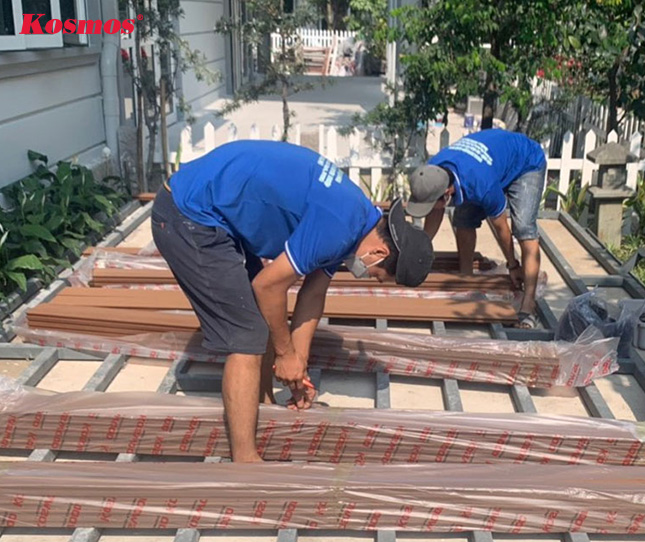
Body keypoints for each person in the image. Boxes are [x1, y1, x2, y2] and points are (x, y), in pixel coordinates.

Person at [152, 140, 434, 462]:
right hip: (187, 214)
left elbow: (313, 293)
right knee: (247, 335)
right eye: (377, 275)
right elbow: (267, 287)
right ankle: (245, 462)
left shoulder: (358, 218)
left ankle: (261, 402)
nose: (367, 276)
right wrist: (286, 353)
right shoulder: (338, 227)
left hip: (215, 211)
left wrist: (297, 370)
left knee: (263, 320)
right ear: (380, 253)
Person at [406, 128, 546, 329]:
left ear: (447, 194)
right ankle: (466, 279)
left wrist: (513, 265)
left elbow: (501, 228)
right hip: (489, 161)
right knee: (463, 219)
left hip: (526, 162)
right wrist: (418, 250)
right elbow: (434, 213)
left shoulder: (482, 185)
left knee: (524, 228)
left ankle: (528, 304)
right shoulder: (433, 172)